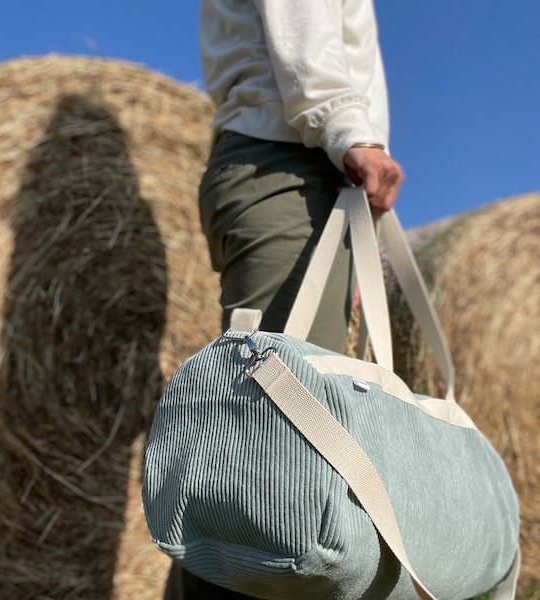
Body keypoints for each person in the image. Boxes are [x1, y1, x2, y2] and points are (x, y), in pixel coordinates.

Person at [164, 0, 403, 597]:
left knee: (257, 450)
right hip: (289, 169)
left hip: (304, 176)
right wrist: (350, 129)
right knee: (273, 458)